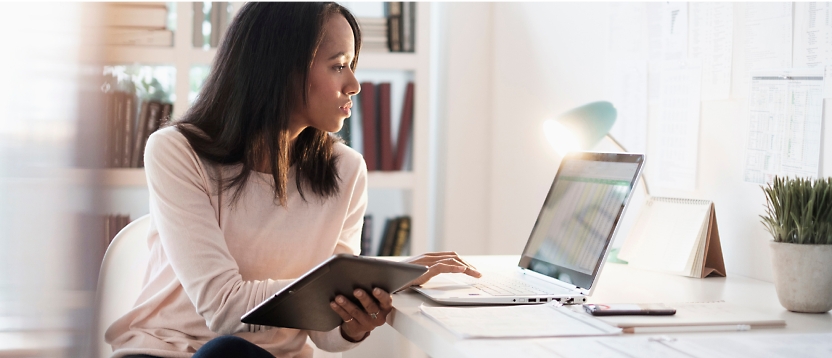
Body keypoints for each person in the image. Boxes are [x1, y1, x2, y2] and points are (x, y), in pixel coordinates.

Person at [105, 3, 481, 358]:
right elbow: (222, 309)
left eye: (352, 65)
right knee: (226, 351)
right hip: (166, 350)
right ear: (281, 68)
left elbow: (324, 334)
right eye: (338, 66)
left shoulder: (346, 170)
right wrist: (339, 286)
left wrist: (354, 318)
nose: (354, 84)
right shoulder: (177, 151)